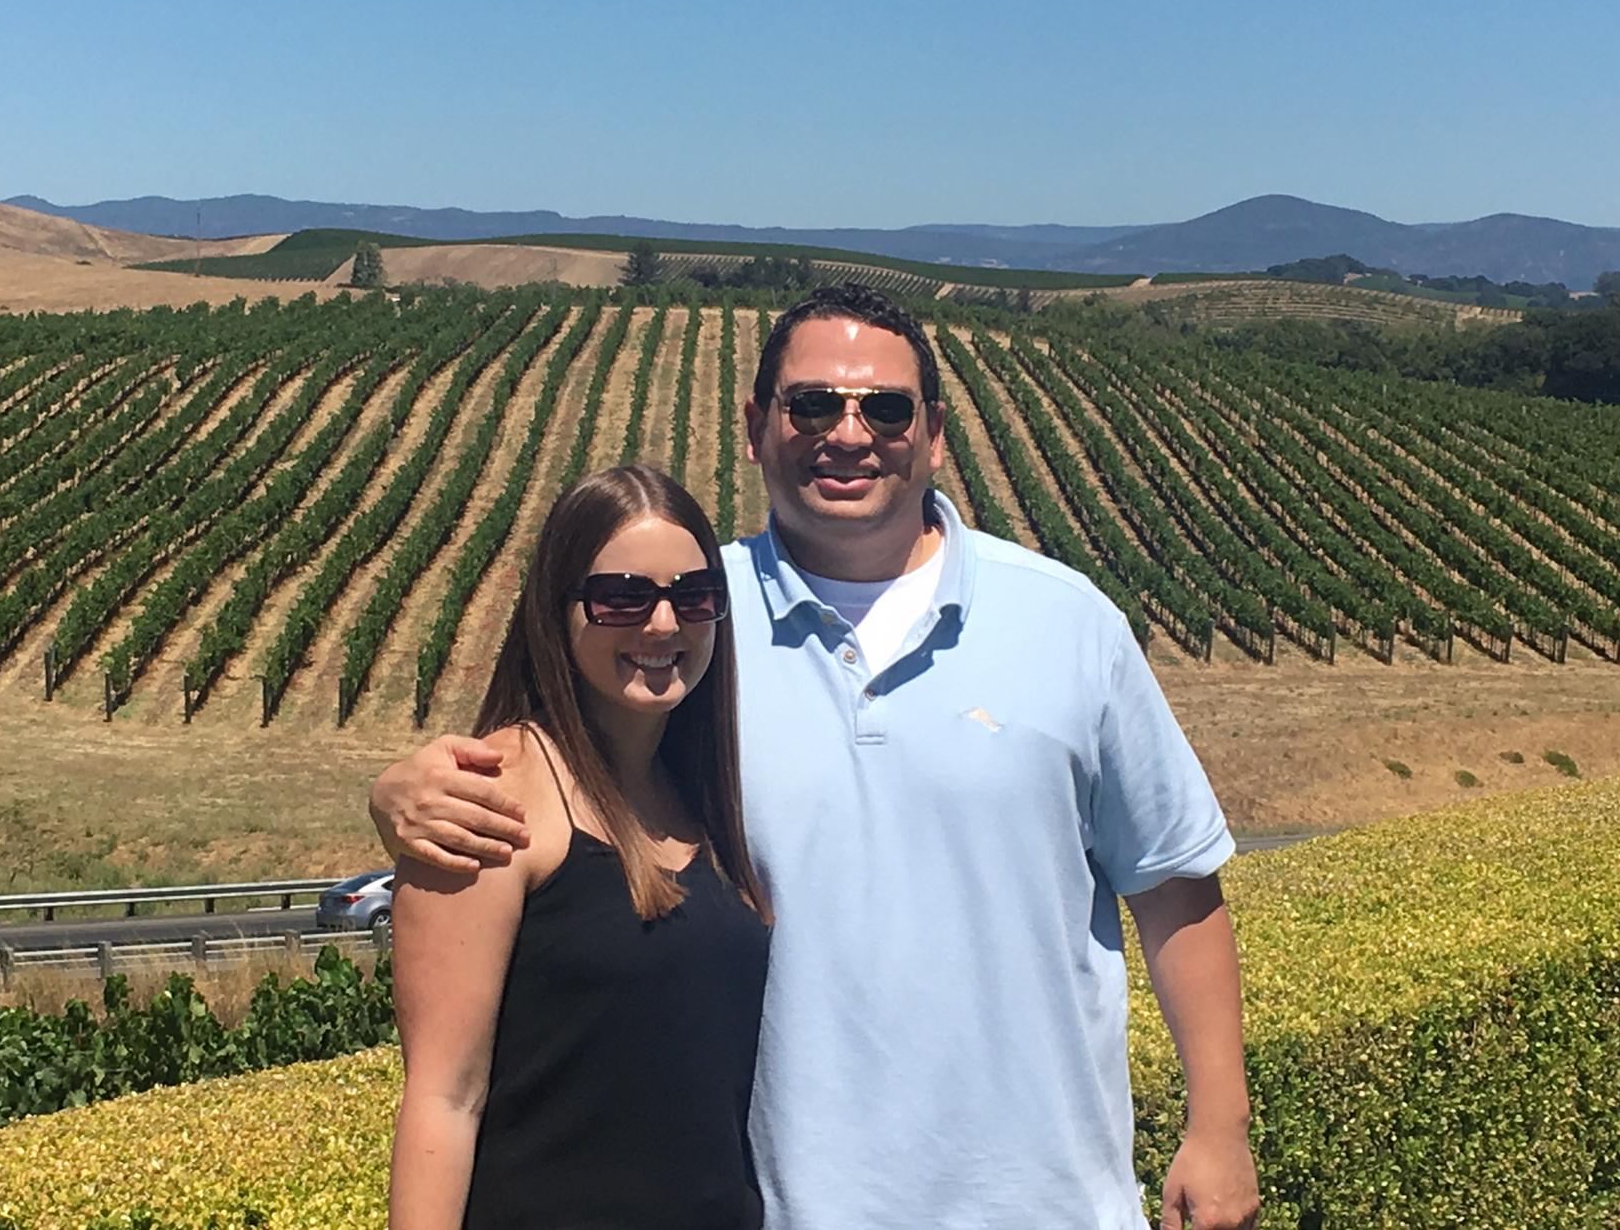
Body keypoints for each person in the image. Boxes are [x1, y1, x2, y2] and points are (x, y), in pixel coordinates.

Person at [375, 284, 1260, 1230]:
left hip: (1049, 1206)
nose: (848, 433)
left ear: (934, 434)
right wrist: (395, 790)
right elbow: (559, 765)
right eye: (812, 404)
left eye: (886, 408)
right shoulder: (691, 622)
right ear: (757, 427)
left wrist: (1221, 1126)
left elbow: (1173, 885)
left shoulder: (1067, 621)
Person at [387, 464, 771, 1230]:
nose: (662, 624)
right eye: (622, 597)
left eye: (694, 596)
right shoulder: (489, 797)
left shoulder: (706, 798)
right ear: (556, 610)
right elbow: (443, 1100)